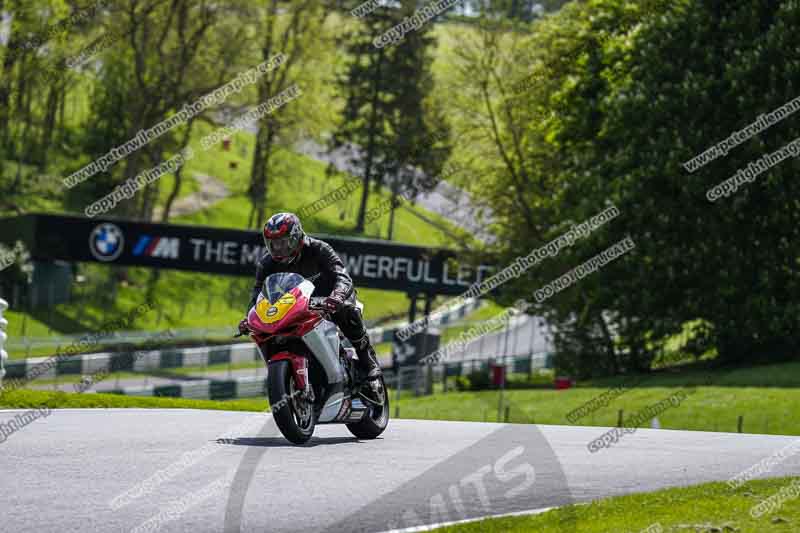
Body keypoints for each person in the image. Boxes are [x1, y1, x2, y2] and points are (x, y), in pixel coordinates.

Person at [239, 212, 383, 383]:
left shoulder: (319, 249)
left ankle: (367, 359)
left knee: (348, 310)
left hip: (330, 298)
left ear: (296, 236)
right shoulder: (267, 264)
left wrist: (337, 296)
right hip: (295, 304)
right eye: (273, 244)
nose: (278, 249)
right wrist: (250, 317)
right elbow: (258, 293)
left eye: (283, 243)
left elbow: (342, 276)